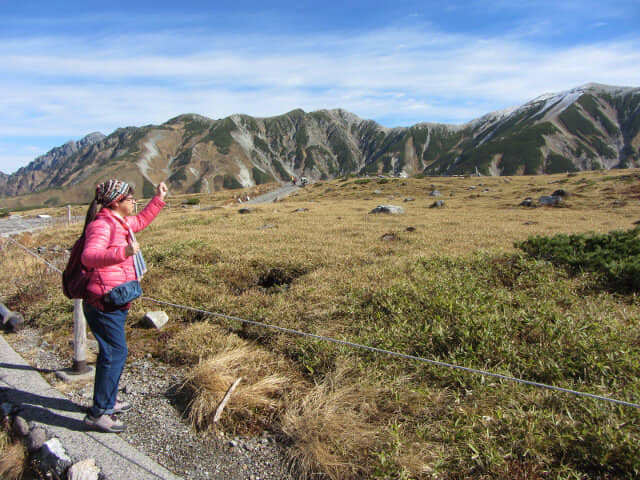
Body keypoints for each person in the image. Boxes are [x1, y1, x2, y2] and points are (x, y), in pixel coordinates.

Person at [80, 179, 168, 433]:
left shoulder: (118, 221)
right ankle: (99, 413)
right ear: (117, 201)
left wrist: (158, 198)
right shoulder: (102, 225)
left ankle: (108, 401)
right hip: (104, 300)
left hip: (115, 297)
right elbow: (88, 256)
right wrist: (124, 252)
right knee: (114, 353)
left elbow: (140, 221)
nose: (133, 201)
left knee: (113, 353)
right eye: (129, 197)